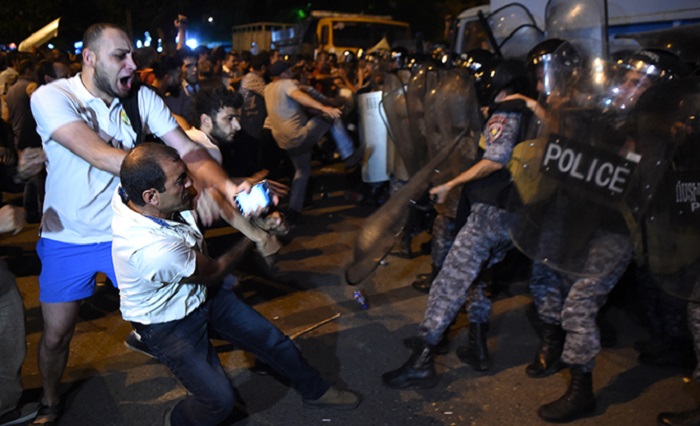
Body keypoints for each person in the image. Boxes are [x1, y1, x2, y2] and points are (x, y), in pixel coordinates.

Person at [29, 23, 252, 425]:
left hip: (128, 233)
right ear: (90, 58)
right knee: (57, 335)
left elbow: (187, 148)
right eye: (121, 56)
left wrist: (228, 186)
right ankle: (49, 399)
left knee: (189, 311)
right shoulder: (52, 97)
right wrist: (182, 179)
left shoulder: (140, 97)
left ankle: (210, 394)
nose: (133, 64)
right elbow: (99, 154)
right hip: (69, 238)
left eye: (132, 54)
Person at [112, 142, 361, 424]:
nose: (190, 184)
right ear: (151, 196)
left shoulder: (134, 195)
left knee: (272, 340)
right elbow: (216, 269)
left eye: (185, 174)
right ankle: (178, 420)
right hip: (168, 323)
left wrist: (241, 195)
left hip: (201, 293)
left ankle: (316, 391)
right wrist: (255, 237)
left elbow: (209, 185)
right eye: (181, 181)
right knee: (219, 403)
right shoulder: (152, 250)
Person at [381, 59, 536, 389]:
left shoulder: (505, 111)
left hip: (491, 210)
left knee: (450, 281)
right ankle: (477, 347)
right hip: (517, 212)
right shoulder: (535, 111)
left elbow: (495, 159)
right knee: (479, 277)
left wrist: (450, 185)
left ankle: (423, 357)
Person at [186, 85, 285, 261]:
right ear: (206, 120)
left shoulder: (191, 139)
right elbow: (216, 195)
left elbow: (213, 185)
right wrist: (260, 235)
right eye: (229, 118)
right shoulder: (205, 146)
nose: (237, 126)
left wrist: (246, 182)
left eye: (237, 118)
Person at [263, 61, 357, 225]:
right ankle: (348, 155)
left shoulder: (267, 89)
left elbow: (291, 107)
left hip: (284, 142)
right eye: (290, 70)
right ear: (284, 74)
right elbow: (298, 96)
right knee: (331, 117)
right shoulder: (285, 84)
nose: (292, 73)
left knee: (302, 171)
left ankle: (294, 210)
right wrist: (323, 107)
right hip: (298, 136)